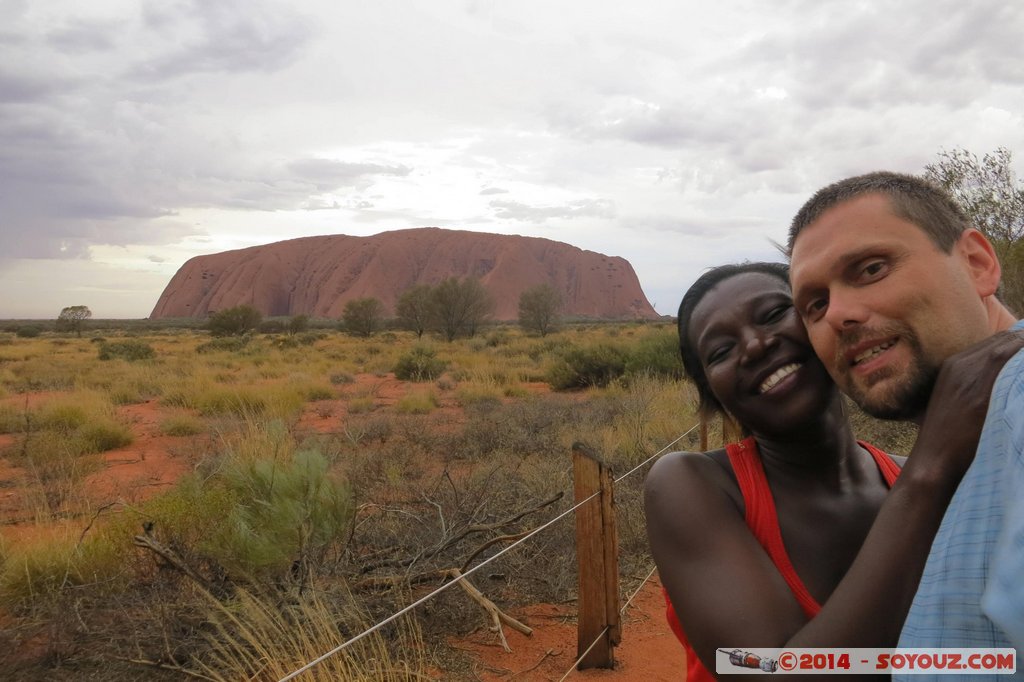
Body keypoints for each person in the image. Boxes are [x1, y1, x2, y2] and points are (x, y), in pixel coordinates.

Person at [644, 261, 1015, 681]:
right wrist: (932, 468)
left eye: (773, 314)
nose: (754, 346)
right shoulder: (692, 485)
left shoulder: (914, 478)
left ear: (828, 325)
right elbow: (764, 673)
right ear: (713, 396)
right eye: (721, 352)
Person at [787, 171, 1024, 663]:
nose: (837, 314)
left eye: (871, 269)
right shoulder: (971, 445)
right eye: (815, 304)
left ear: (977, 264)